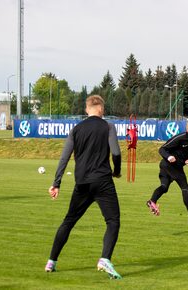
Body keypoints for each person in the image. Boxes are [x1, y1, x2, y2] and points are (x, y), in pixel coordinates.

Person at [44, 95, 122, 279]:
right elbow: (116, 152)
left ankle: (51, 261)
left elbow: (64, 157)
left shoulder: (76, 129)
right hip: (103, 181)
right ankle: (105, 259)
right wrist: (116, 171)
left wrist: (56, 183)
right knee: (112, 221)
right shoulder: (108, 126)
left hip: (82, 183)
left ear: (87, 110)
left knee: (69, 221)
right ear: (102, 110)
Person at [146, 120, 188, 228]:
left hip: (174, 166)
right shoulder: (180, 137)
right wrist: (169, 157)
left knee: (164, 187)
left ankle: (152, 201)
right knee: (185, 188)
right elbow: (162, 149)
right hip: (168, 165)